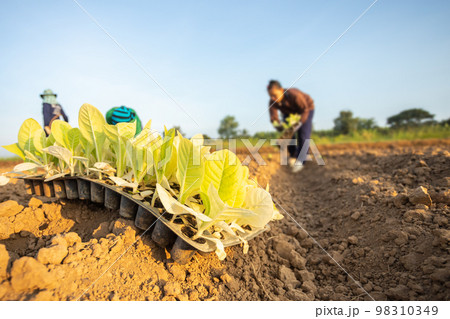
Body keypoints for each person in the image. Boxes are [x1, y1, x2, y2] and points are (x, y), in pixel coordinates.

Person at [267, 80, 315, 173]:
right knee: (288, 134)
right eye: (271, 96)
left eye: (275, 95)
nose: (273, 98)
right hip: (289, 113)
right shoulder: (272, 101)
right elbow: (274, 117)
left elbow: (305, 110)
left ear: (281, 90)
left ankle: (301, 161)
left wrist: (297, 125)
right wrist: (279, 127)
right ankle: (293, 155)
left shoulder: (294, 95)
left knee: (303, 135)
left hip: (306, 110)